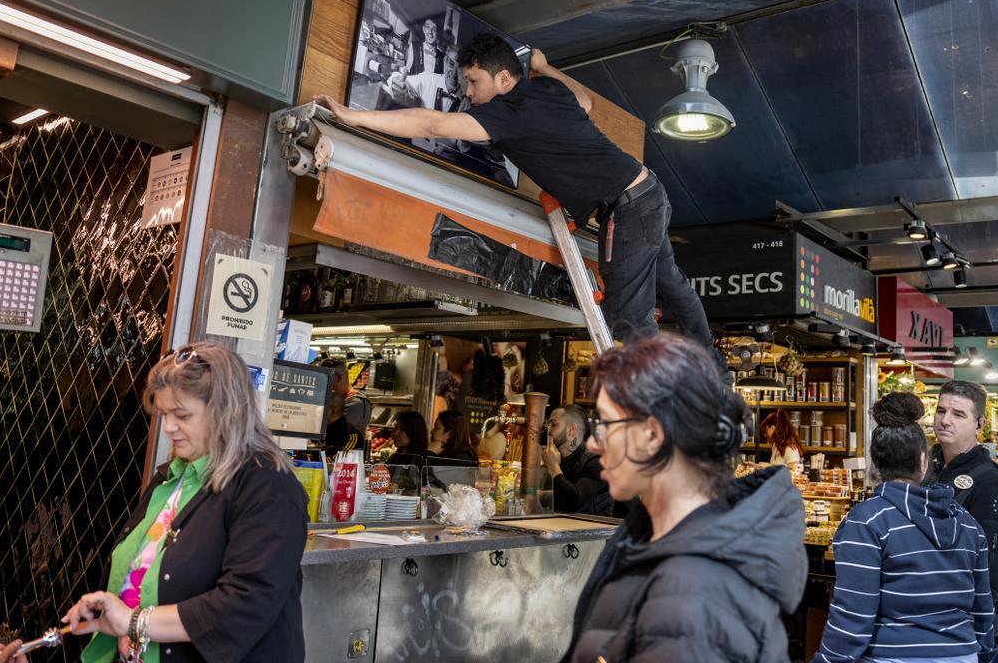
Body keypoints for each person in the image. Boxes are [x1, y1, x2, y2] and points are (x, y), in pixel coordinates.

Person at [315, 36, 723, 369]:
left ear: (505, 78)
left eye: (474, 82)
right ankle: (713, 368)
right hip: (649, 191)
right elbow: (585, 101)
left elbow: (432, 123)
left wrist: (355, 118)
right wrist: (545, 68)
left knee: (628, 317)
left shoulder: (506, 113)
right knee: (673, 286)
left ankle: (666, 400)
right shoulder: (547, 89)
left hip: (628, 206)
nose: (468, 93)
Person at [560, 334, 805, 662]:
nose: (593, 444)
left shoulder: (692, 598)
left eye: (605, 423)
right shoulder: (650, 539)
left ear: (652, 434)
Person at [63, 343, 308, 662]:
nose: (168, 428)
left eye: (182, 415)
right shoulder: (173, 475)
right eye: (164, 414)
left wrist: (135, 621)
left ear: (226, 411)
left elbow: (246, 601)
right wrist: (112, 610)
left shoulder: (268, 485)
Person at [813, 392, 998, 663]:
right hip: (963, 655)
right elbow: (983, 610)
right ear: (923, 461)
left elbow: (854, 617)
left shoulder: (866, 521)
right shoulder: (968, 524)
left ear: (875, 463)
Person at [925, 380, 998, 618]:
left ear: (980, 424)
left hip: (962, 617)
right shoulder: (924, 469)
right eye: (941, 411)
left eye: (958, 414)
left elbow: (992, 570)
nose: (945, 420)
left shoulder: (994, 481)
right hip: (920, 607)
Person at [542, 404, 612, 516]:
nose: (548, 429)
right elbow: (551, 499)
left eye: (554, 424)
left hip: (594, 531)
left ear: (571, 430)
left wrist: (554, 467)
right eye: (548, 424)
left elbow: (575, 503)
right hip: (563, 527)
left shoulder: (596, 461)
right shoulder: (559, 458)